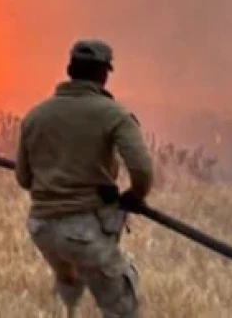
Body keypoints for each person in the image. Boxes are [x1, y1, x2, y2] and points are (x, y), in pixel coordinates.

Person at [14, 39, 154, 318]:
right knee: (122, 307)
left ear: (69, 70)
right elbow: (142, 170)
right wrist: (134, 196)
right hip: (83, 230)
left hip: (41, 227)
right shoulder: (113, 115)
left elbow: (24, 178)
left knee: (69, 295)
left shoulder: (35, 117)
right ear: (104, 74)